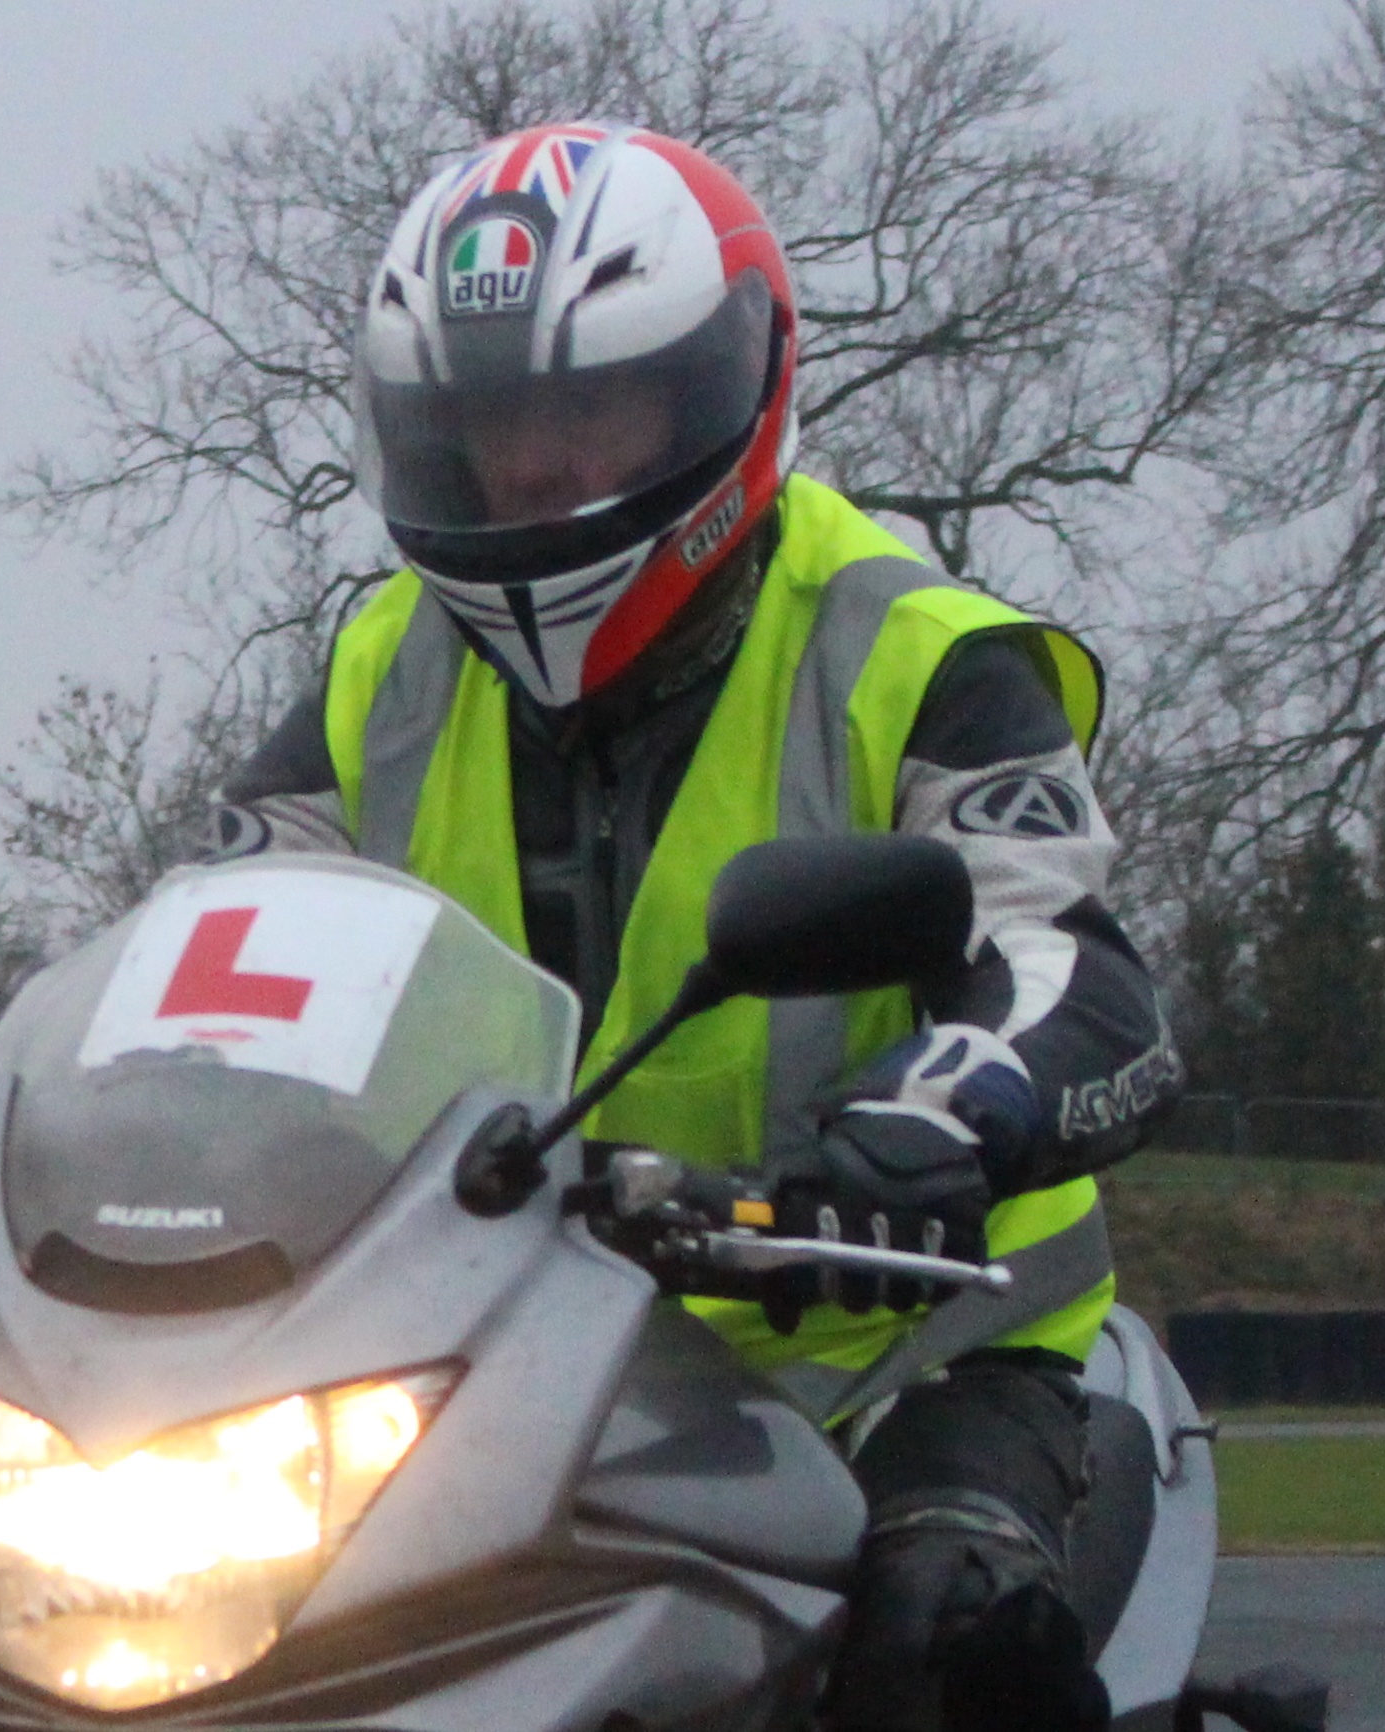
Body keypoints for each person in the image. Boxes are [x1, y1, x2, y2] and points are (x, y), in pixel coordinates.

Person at [208, 121, 1181, 1732]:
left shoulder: (914, 649)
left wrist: (942, 1110)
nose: (532, 467)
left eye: (588, 405)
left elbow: (1070, 960)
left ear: (720, 387)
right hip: (509, 1367)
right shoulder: (384, 672)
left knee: (937, 1663)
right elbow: (224, 944)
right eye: (491, 420)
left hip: (906, 1359)